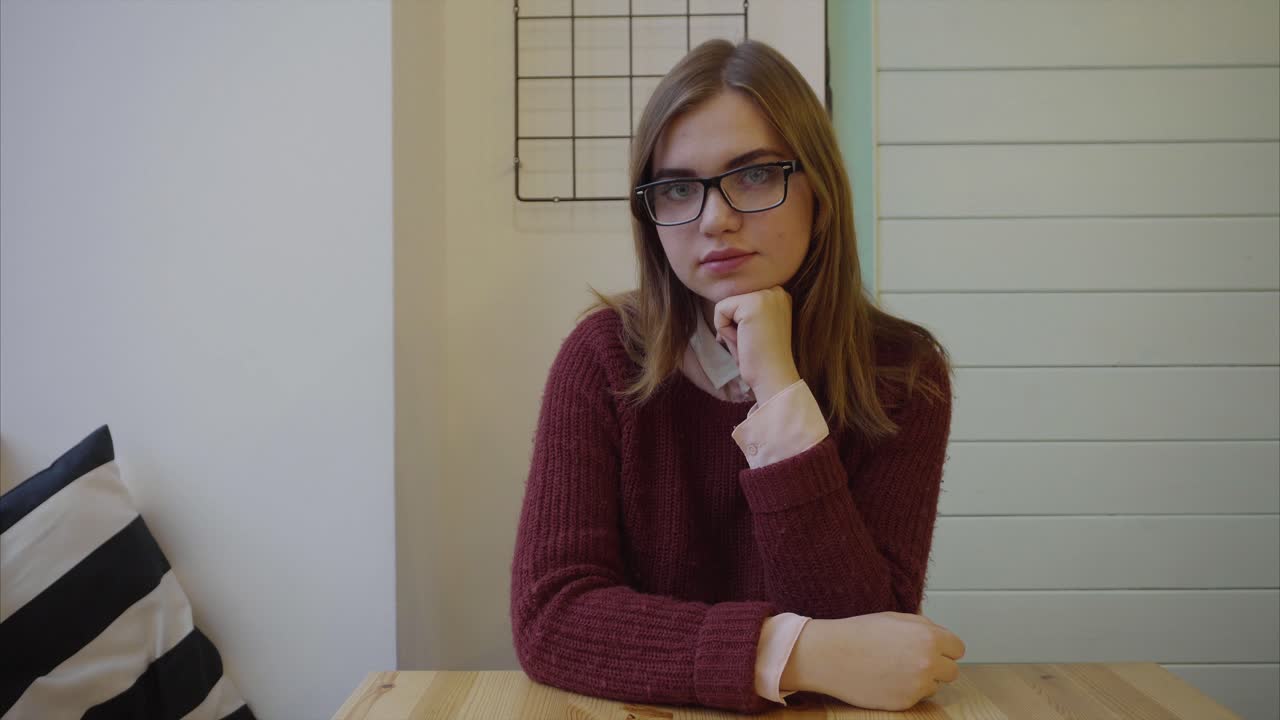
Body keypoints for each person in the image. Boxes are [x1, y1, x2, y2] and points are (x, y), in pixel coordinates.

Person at [509, 38, 967, 714]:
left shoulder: (903, 373)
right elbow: (552, 618)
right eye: (677, 188)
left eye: (753, 176)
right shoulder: (606, 358)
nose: (715, 219)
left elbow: (868, 633)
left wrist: (780, 392)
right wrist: (790, 654)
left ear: (818, 189)